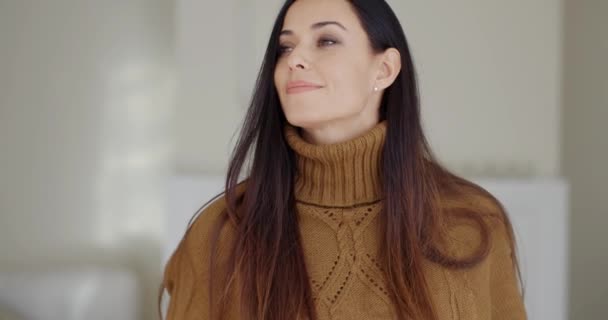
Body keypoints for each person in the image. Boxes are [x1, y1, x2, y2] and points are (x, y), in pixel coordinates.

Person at [159, 0, 527, 319]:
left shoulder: (473, 223)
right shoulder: (218, 235)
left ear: (383, 70)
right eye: (285, 49)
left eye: (327, 40)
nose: (296, 60)